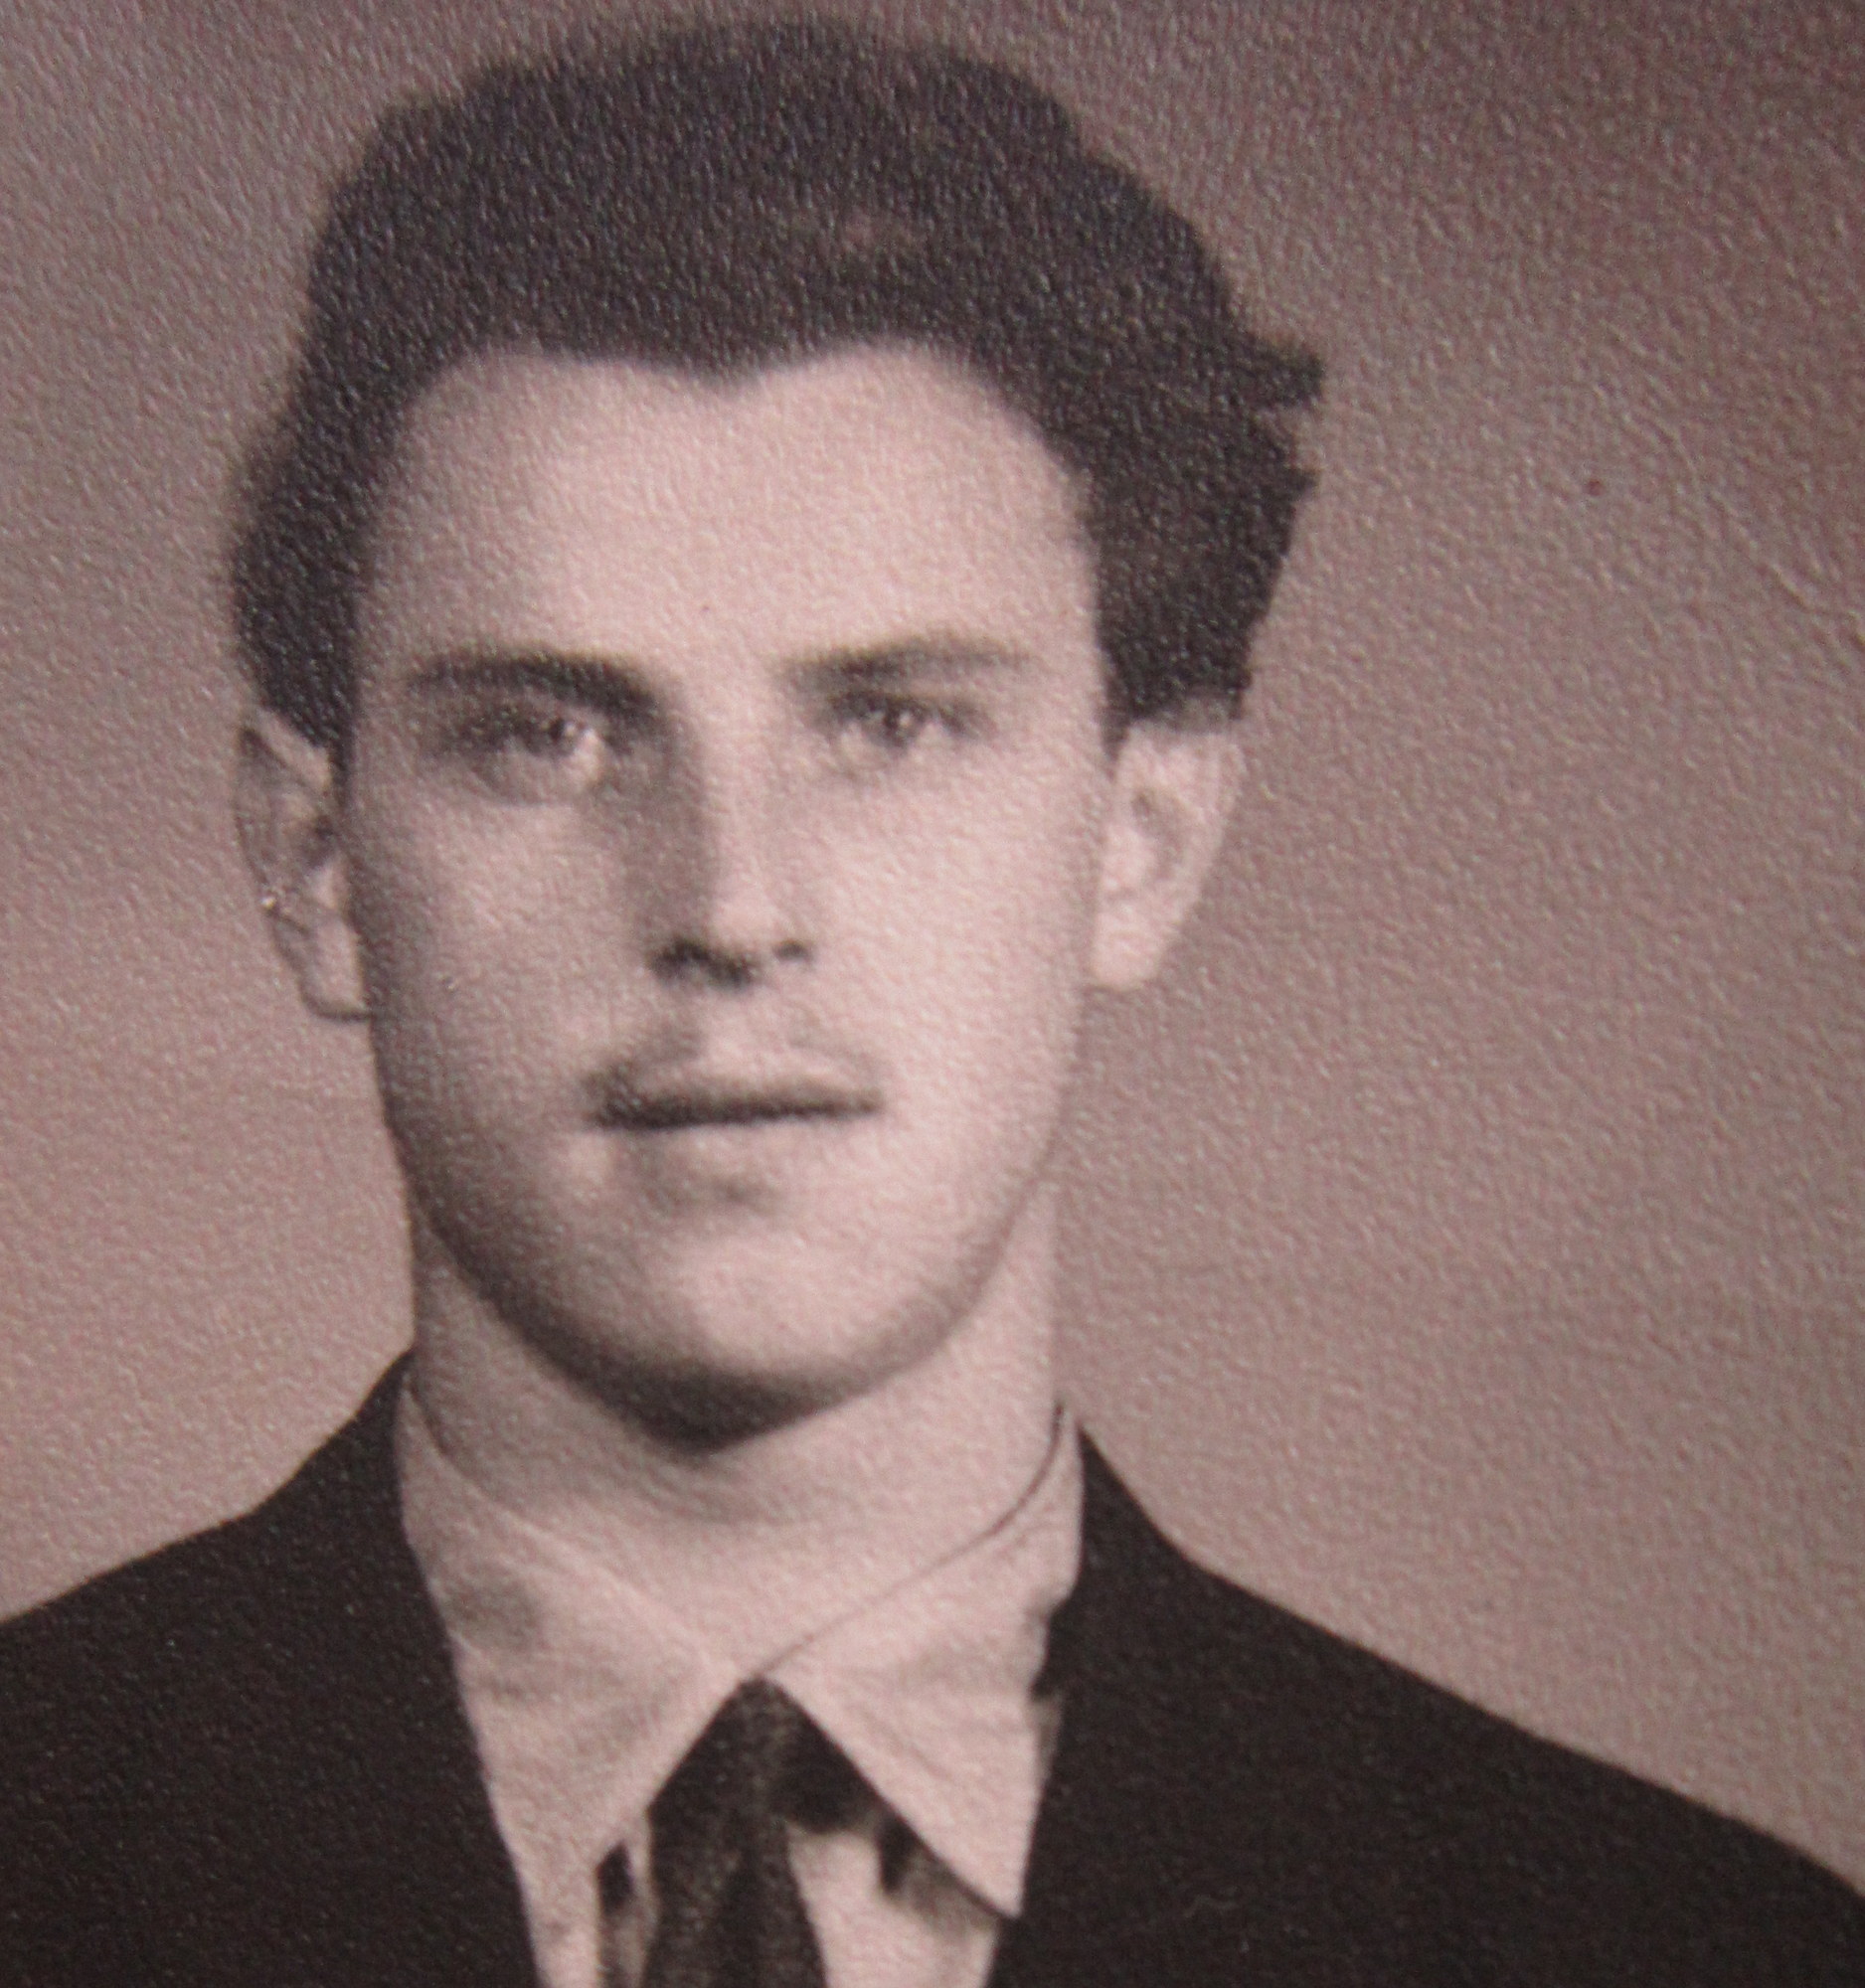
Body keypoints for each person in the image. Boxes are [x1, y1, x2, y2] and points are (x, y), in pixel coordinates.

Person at [1, 20, 1858, 1988]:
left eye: (891, 724)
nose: (730, 905)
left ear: (1141, 836)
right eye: (545, 735)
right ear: (315, 862)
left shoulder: (1691, 1953)